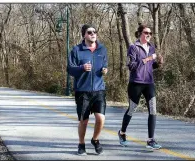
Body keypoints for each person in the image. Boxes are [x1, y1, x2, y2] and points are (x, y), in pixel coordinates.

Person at [118, 24, 163, 149]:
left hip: (149, 83)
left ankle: (150, 140)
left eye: (150, 33)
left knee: (153, 109)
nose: (148, 35)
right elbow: (131, 66)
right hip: (136, 83)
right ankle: (122, 133)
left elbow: (150, 66)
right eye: (146, 32)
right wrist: (148, 58)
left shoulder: (151, 47)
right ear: (139, 34)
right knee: (132, 109)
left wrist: (158, 64)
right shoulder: (133, 47)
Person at [67, 24, 108, 155]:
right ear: (84, 35)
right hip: (82, 91)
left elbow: (105, 65)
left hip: (99, 89)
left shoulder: (102, 49)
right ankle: (81, 144)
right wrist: (81, 68)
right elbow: (70, 69)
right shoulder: (76, 50)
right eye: (90, 32)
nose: (93, 34)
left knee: (101, 118)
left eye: (94, 32)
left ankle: (95, 140)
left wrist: (105, 70)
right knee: (84, 121)